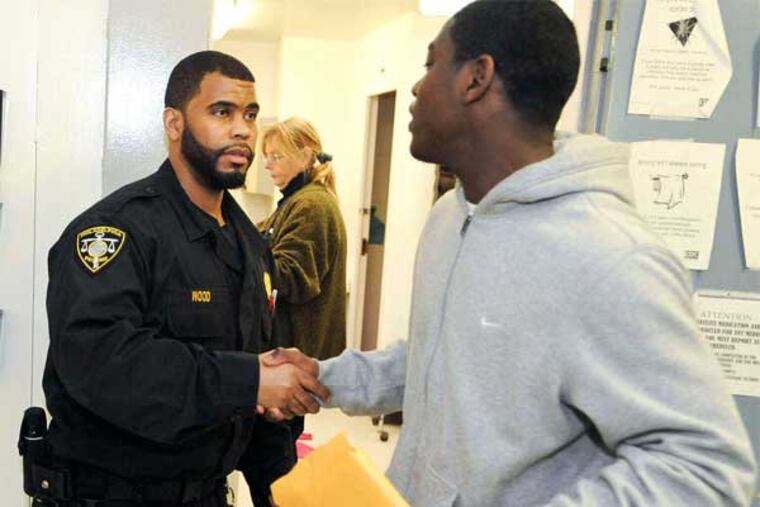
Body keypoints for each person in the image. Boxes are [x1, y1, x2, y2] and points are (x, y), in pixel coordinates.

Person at [262, 1, 758, 505]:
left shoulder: (610, 258)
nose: (416, 88)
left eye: (430, 64)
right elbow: (441, 357)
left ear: (477, 78)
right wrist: (327, 378)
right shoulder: (450, 219)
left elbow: (706, 471)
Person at [40, 50, 328, 507]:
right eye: (222, 112)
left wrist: (283, 490)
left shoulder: (250, 246)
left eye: (250, 115)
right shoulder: (118, 232)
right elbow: (100, 363)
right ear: (174, 124)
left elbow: (257, 394)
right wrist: (247, 380)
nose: (243, 130)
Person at [259, 117, 348, 363]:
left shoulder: (312, 205)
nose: (266, 165)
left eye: (276, 157)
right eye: (267, 156)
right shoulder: (294, 201)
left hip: (299, 358)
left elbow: (291, 277)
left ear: (306, 156)